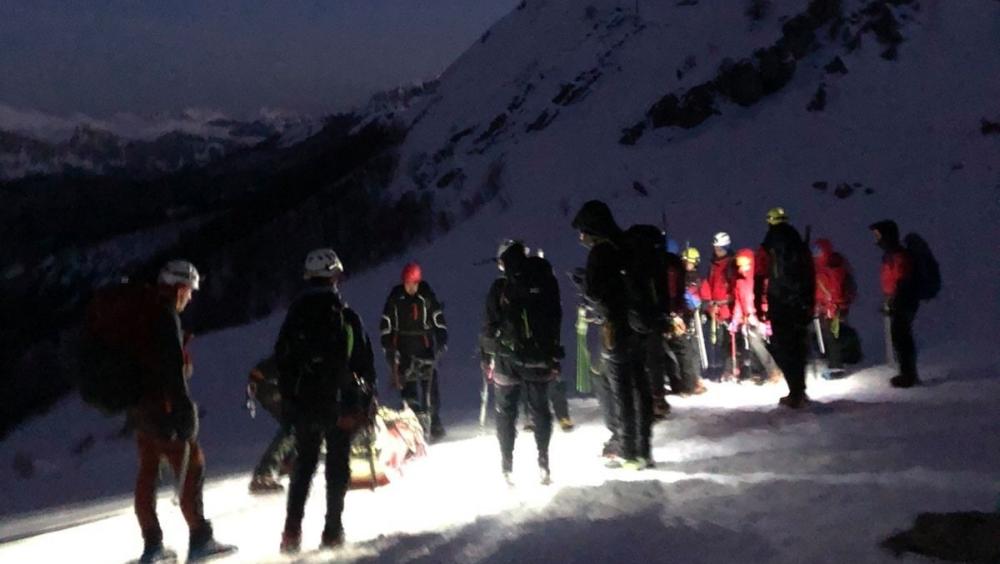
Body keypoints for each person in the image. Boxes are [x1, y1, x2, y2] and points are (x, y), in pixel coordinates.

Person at [132, 260, 235, 563]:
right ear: (179, 288)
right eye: (189, 291)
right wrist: (184, 412)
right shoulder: (165, 318)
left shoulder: (143, 313)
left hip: (140, 410)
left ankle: (152, 546)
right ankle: (200, 539)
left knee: (148, 472)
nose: (190, 298)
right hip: (164, 409)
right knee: (192, 467)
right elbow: (172, 373)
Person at [277, 249, 376, 554]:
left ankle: (291, 532)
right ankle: (332, 531)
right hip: (340, 403)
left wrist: (291, 402)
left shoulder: (294, 316)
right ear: (335, 276)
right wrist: (365, 400)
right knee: (337, 465)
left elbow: (282, 359)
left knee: (304, 465)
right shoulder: (346, 315)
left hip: (305, 404)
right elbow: (364, 363)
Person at [572, 201, 653, 469]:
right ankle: (643, 450)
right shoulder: (629, 246)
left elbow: (595, 293)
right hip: (639, 327)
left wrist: (582, 282)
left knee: (620, 390)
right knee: (640, 385)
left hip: (614, 328)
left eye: (583, 230)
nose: (581, 237)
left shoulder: (601, 252)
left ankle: (627, 452)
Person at [480, 240, 562, 484]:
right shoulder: (545, 279)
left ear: (503, 261)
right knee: (540, 409)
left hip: (507, 358)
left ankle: (507, 465)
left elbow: (489, 325)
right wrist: (553, 354)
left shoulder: (500, 287)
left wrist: (487, 357)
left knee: (506, 412)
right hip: (539, 356)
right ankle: (543, 462)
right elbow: (555, 317)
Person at [379, 262, 448, 439]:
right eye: (407, 284)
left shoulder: (426, 295)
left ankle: (434, 421)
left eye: (413, 284)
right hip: (403, 348)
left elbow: (437, 317)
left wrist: (441, 337)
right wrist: (388, 345)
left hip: (424, 347)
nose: (410, 288)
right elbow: (386, 322)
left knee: (430, 386)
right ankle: (413, 424)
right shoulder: (396, 297)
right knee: (408, 389)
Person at [756, 208, 815, 408]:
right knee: (798, 346)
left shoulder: (768, 245)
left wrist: (758, 305)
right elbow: (810, 274)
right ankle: (800, 390)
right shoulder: (799, 243)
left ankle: (795, 391)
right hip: (800, 302)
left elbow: (759, 274)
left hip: (779, 301)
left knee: (782, 345)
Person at [869, 220, 920, 387]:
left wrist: (894, 301)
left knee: (902, 337)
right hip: (898, 301)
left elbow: (902, 280)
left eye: (878, 235)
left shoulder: (898, 256)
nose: (875, 238)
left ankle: (908, 375)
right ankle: (907, 373)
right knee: (900, 337)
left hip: (902, 302)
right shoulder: (892, 255)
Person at [246, 356, 297, 494]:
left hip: (265, 381)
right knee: (295, 425)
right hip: (266, 382)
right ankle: (264, 473)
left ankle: (288, 461)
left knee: (297, 423)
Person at [729, 249, 781, 382]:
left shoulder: (758, 279)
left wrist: (766, 317)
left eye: (745, 262)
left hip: (760, 317)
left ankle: (773, 369)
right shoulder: (740, 282)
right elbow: (739, 303)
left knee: (756, 343)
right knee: (753, 345)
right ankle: (760, 372)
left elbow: (766, 298)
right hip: (748, 318)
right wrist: (735, 320)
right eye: (740, 263)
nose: (742, 266)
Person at [812, 238, 857, 379]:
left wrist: (833, 305)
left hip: (832, 308)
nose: (815, 253)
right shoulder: (823, 265)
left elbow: (834, 289)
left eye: (818, 250)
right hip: (827, 307)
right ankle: (835, 363)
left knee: (832, 337)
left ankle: (836, 367)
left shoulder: (832, 267)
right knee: (831, 336)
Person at [699, 232, 738, 379]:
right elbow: (708, 284)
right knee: (715, 341)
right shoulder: (713, 265)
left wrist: (725, 302)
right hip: (714, 308)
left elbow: (735, 287)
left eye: (720, 248)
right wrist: (709, 303)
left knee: (727, 342)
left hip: (727, 309)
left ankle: (728, 370)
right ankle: (716, 369)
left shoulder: (731, 264)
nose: (717, 251)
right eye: (716, 248)